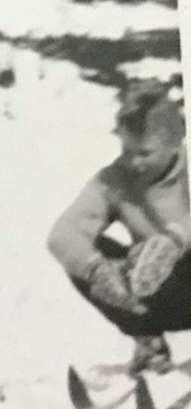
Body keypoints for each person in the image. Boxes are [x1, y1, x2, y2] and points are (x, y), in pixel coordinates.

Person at [46, 80, 189, 375]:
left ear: (175, 143)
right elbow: (62, 234)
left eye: (144, 152)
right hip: (160, 294)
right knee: (85, 255)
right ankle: (149, 344)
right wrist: (96, 269)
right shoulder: (114, 179)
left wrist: (174, 240)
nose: (132, 161)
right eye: (127, 150)